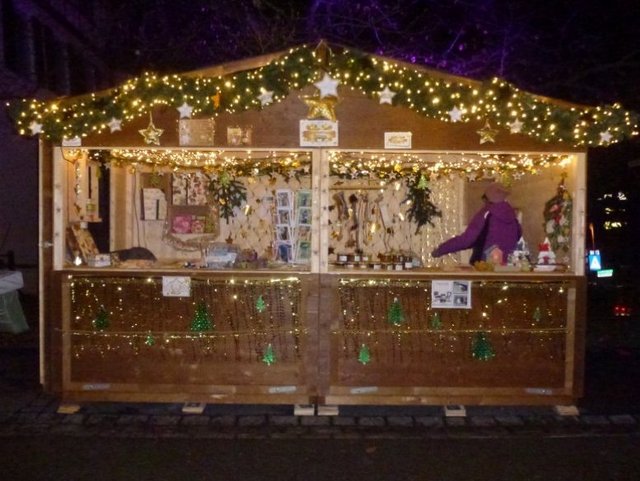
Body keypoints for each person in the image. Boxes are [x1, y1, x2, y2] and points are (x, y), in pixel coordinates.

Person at [431, 182, 521, 265]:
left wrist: (441, 249)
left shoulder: (487, 214)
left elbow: (467, 240)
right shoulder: (513, 217)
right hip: (509, 267)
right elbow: (518, 237)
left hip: (485, 266)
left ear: (488, 198)